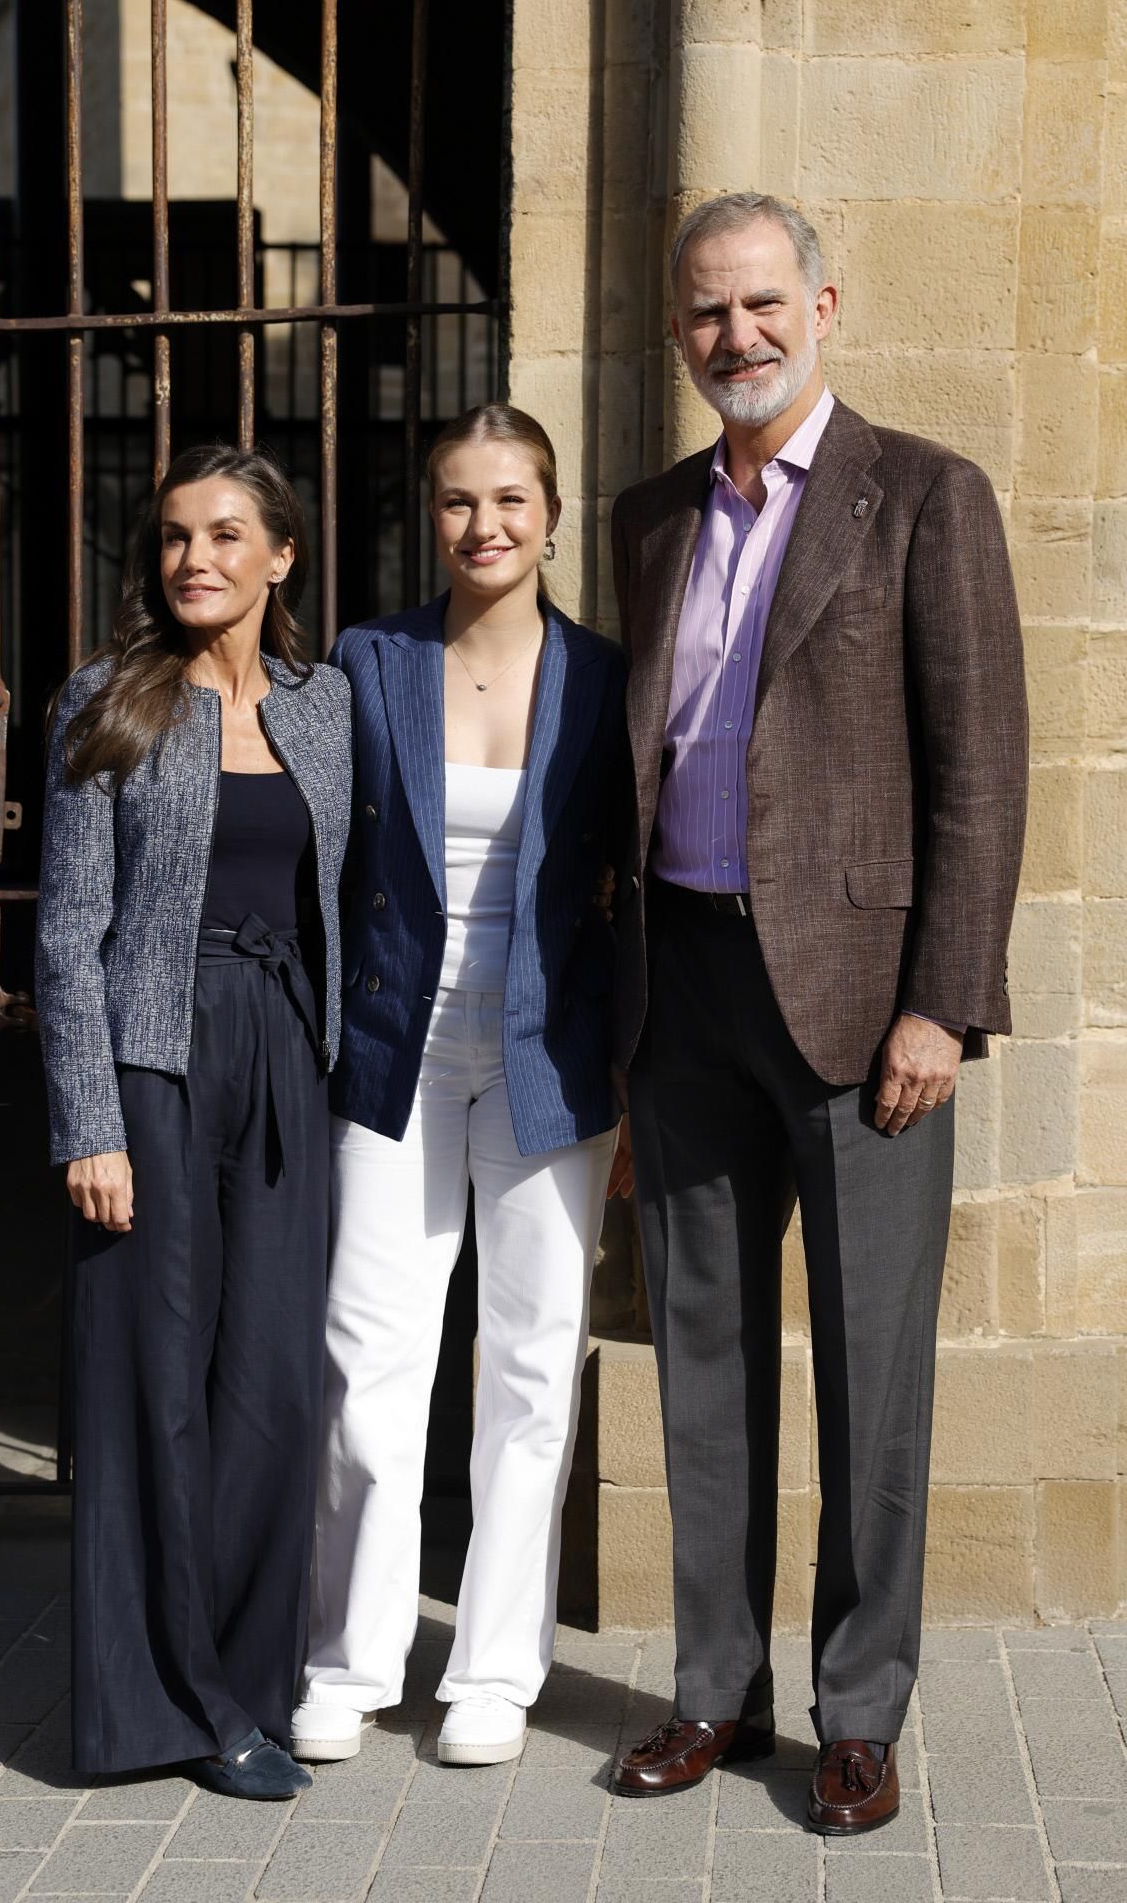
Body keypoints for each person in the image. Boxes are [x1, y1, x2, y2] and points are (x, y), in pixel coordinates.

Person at [608, 194, 1028, 1831]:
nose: (741, 337)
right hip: (689, 986)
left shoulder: (922, 495)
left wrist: (945, 1005)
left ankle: (861, 1709)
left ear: (826, 305)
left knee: (873, 1372)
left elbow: (982, 774)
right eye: (710, 313)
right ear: (679, 329)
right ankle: (716, 1688)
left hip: (866, 1014)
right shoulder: (649, 519)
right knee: (699, 1358)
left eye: (766, 305)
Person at [288, 403, 632, 1770]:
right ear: (428, 518)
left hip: (553, 1054)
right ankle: (350, 1657)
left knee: (533, 1363)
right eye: (454, 502)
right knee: (369, 1358)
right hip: (395, 1051)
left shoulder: (606, 676)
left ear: (549, 513)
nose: (483, 525)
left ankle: (494, 1669)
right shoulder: (370, 663)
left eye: (509, 500)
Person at [35, 443, 352, 1799]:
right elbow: (63, 931)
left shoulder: (325, 704)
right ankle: (169, 1705)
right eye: (174, 536)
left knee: (273, 1386)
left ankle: (250, 1680)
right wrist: (86, 1123)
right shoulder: (106, 702)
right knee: (148, 1387)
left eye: (227, 534)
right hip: (152, 1060)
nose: (195, 559)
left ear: (281, 556)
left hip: (288, 1058)